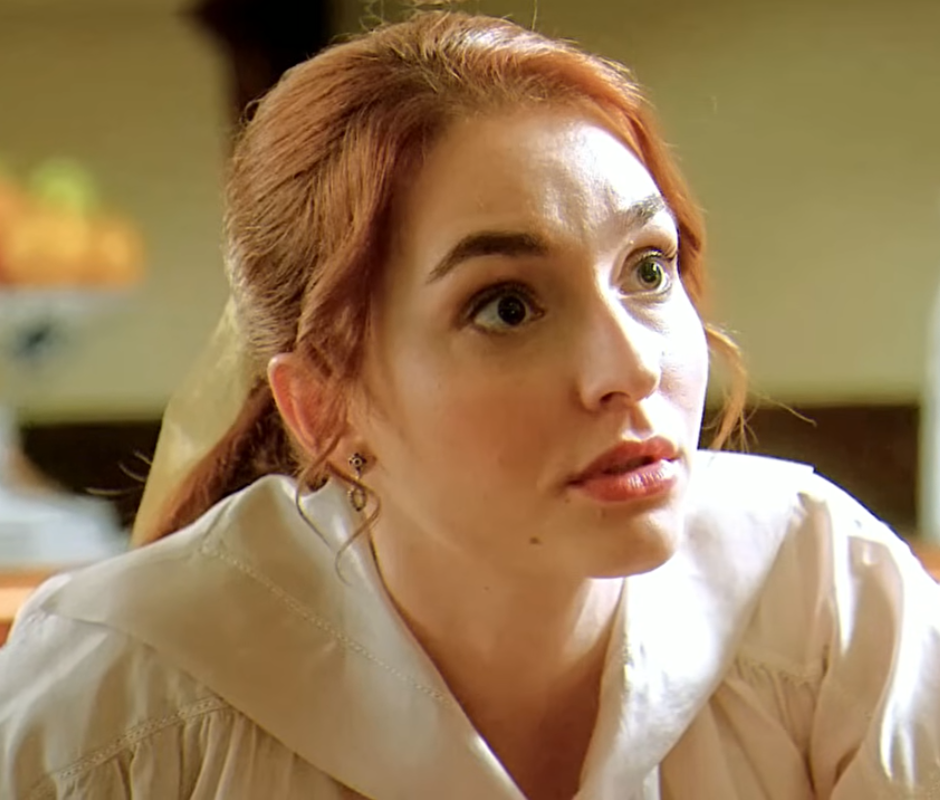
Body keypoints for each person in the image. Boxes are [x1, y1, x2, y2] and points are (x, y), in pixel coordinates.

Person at [1, 11, 939, 800]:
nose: (630, 368)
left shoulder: (825, 598)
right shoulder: (120, 702)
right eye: (507, 307)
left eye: (648, 270)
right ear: (325, 408)